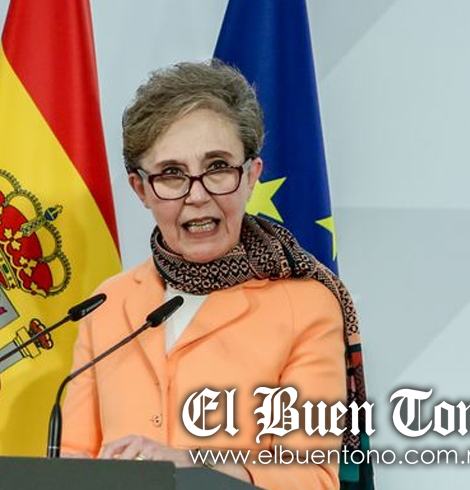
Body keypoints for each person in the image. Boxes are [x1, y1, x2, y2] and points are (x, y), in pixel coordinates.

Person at [61, 60, 368, 490]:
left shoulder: (306, 306)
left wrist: (191, 467)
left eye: (218, 167)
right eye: (171, 174)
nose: (197, 195)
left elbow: (311, 476)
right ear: (141, 189)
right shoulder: (107, 303)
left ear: (251, 176)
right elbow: (72, 458)